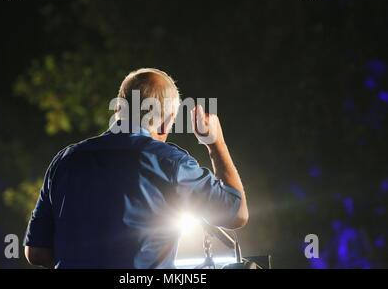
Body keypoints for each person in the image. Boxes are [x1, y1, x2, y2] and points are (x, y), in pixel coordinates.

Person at [24, 68, 248, 268]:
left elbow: (36, 252)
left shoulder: (64, 161)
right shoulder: (171, 164)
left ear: (118, 110)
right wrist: (214, 142)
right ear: (165, 122)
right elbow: (236, 214)